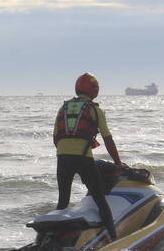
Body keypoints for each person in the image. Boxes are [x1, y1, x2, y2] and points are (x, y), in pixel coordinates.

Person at [53, 72, 125, 241]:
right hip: (83, 157)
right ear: (94, 90)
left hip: (62, 157)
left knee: (63, 202)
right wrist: (118, 163)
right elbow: (108, 138)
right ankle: (114, 241)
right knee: (100, 200)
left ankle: (52, 242)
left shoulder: (63, 108)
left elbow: (56, 137)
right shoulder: (95, 109)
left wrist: (66, 152)